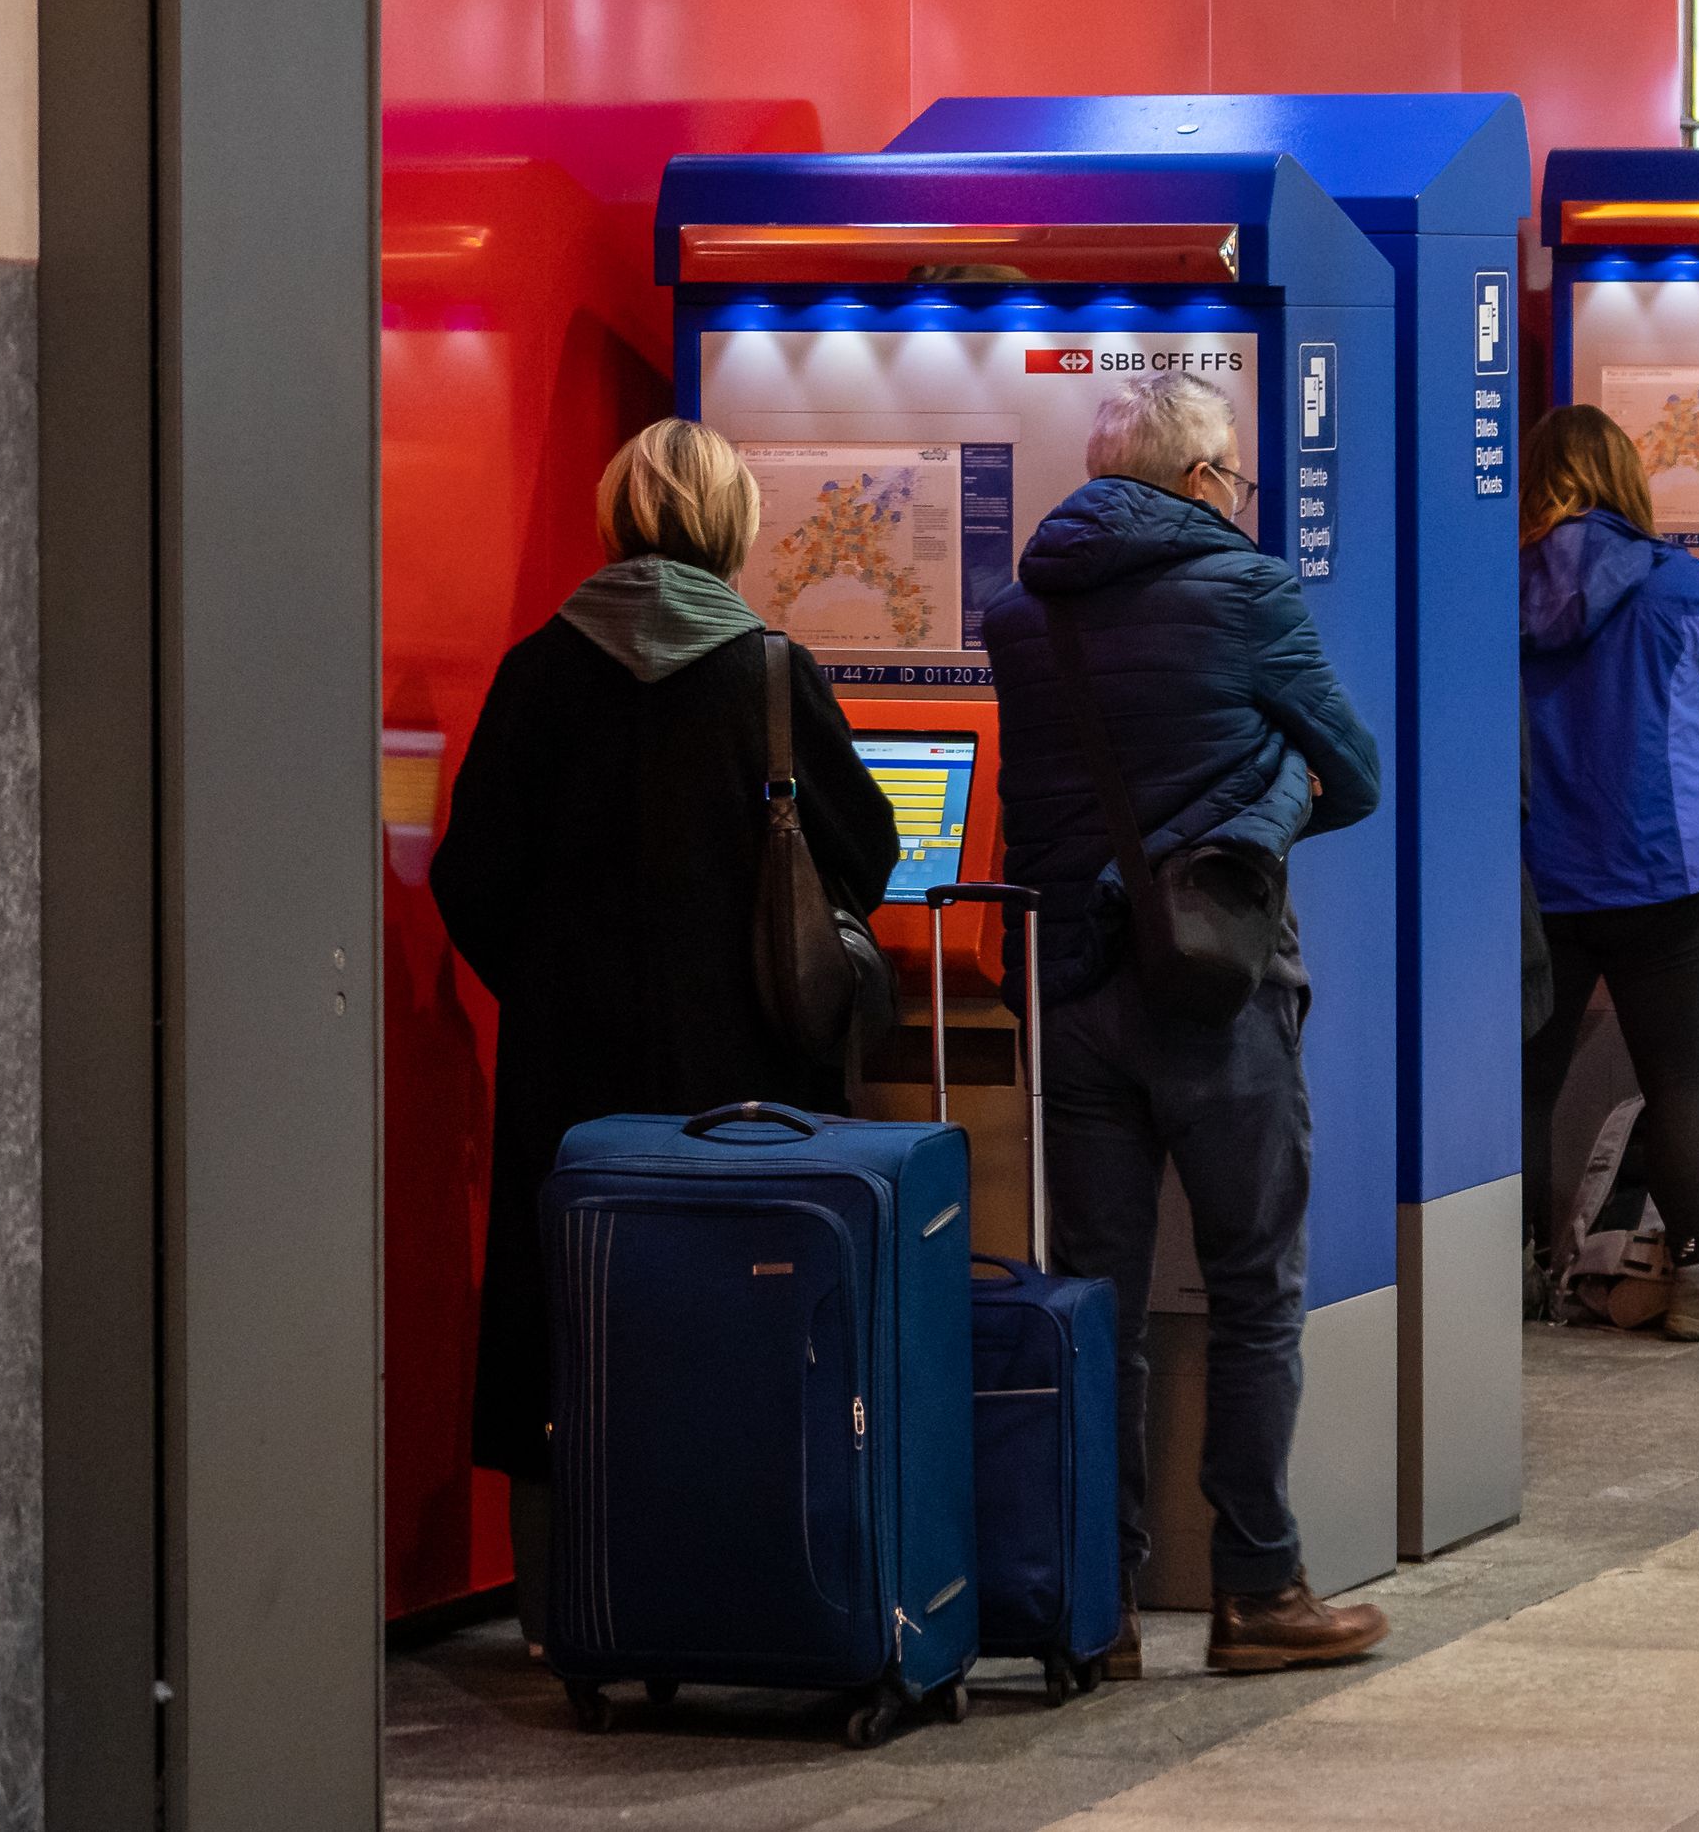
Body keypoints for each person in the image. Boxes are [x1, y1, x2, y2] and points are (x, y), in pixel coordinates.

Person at [430, 419, 896, 1654]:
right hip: (739, 1077)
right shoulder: (769, 670)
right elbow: (867, 854)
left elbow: (469, 872)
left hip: (567, 1081)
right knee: (735, 1306)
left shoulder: (539, 669)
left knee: (566, 1310)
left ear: (617, 518)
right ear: (733, 525)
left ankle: (563, 1607)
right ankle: (740, 1583)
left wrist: (548, 987)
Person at [980, 370, 1388, 1674]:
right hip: (1216, 988)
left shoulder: (1020, 609)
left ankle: (1093, 1602)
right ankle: (1258, 1591)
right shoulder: (1251, 591)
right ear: (1207, 477)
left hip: (1073, 985)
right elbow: (1356, 773)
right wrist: (1257, 818)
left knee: (1096, 1295)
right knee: (1253, 1288)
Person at [1516, 405, 1699, 1342]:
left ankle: (1514, 1273)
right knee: (1680, 1080)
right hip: (1657, 869)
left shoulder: (1494, 581)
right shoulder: (1668, 581)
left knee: (1525, 1080)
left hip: (1536, 875)